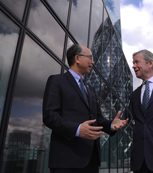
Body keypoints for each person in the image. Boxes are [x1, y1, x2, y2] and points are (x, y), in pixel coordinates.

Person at [43, 44, 128, 173]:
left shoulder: (90, 88)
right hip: (66, 160)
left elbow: (97, 118)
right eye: (90, 58)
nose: (93, 62)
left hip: (91, 160)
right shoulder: (57, 81)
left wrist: (111, 125)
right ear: (77, 58)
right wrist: (77, 129)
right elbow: (50, 116)